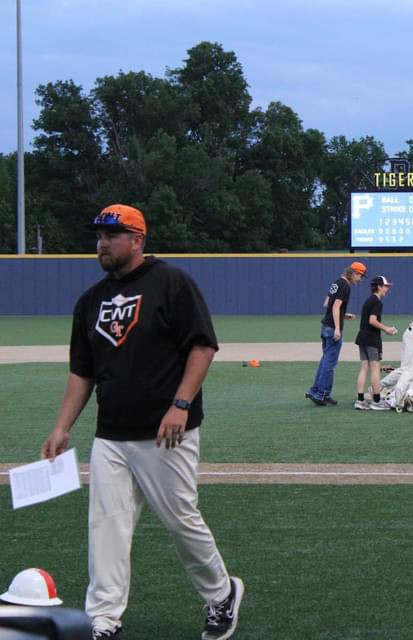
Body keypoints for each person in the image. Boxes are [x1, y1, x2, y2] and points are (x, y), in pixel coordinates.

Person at [39, 204, 243, 640]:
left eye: (112, 235)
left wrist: (181, 404)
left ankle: (221, 594)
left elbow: (202, 347)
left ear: (138, 239)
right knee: (107, 525)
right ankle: (104, 619)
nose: (102, 243)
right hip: (111, 434)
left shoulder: (171, 283)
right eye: (99, 236)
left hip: (165, 431)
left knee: (180, 520)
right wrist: (62, 426)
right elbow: (82, 371)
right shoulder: (90, 301)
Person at [306, 261, 367, 405]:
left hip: (325, 325)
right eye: (360, 276)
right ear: (353, 273)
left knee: (327, 360)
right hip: (332, 327)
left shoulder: (337, 283)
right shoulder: (345, 286)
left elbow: (327, 304)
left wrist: (344, 315)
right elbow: (335, 306)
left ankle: (323, 393)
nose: (360, 279)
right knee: (329, 362)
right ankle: (318, 393)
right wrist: (338, 328)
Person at [354, 276, 398, 410]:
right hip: (372, 339)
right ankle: (377, 401)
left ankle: (360, 400)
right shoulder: (377, 302)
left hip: (362, 337)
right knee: (375, 370)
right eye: (385, 286)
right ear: (379, 287)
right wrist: (387, 329)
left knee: (364, 368)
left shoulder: (369, 300)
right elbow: (372, 320)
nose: (387, 289)